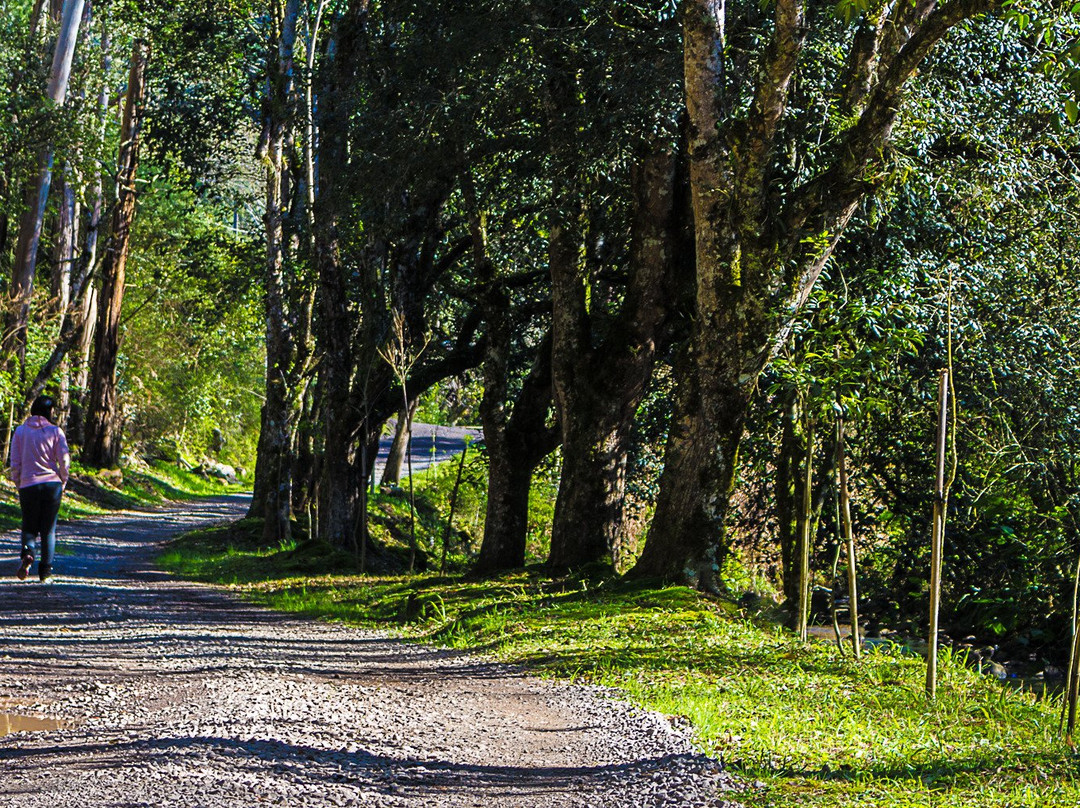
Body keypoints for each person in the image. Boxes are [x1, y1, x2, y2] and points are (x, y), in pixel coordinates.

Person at [9, 396, 70, 582]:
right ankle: (45, 573)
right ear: (49, 412)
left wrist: (18, 481)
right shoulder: (56, 432)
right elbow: (64, 459)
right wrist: (63, 479)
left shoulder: (20, 432)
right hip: (52, 484)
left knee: (29, 526)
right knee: (48, 530)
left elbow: (15, 461)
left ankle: (28, 553)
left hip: (28, 484)